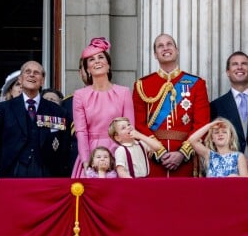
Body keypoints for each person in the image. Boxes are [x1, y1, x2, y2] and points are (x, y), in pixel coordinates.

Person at [133, 33, 210, 177]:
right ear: (155, 54)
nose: (165, 48)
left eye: (169, 44)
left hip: (186, 159)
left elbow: (202, 124)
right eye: (160, 46)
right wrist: (159, 152)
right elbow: (139, 124)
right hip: (153, 159)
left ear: (177, 50)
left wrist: (183, 153)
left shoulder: (197, 84)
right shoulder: (142, 85)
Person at [0, 60, 71, 178]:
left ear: (42, 81)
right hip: (13, 172)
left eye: (36, 73)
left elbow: (64, 145)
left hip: (47, 173)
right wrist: (5, 167)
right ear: (20, 79)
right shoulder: (4, 109)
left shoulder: (58, 111)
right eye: (27, 72)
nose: (32, 75)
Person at [71, 37, 135, 178]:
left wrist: (124, 160)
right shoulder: (80, 95)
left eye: (101, 57)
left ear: (108, 64)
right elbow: (81, 132)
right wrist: (86, 162)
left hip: (119, 153)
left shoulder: (123, 92)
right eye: (91, 59)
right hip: (92, 154)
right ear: (87, 68)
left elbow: (130, 131)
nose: (97, 61)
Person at [210, 51, 248, 161]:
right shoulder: (216, 106)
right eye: (235, 64)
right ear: (228, 72)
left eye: (244, 64)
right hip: (230, 169)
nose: (240, 67)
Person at [62, 58, 88, 174]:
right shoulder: (67, 103)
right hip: (74, 166)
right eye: (86, 67)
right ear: (80, 72)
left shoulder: (115, 99)